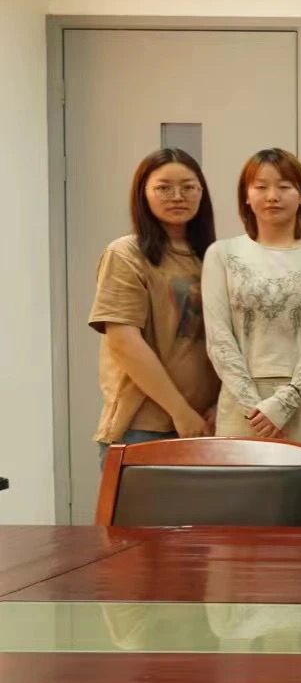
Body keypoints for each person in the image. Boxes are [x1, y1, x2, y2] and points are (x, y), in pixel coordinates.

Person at [203, 149, 301, 445]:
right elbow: (219, 339)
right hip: (242, 407)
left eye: (284, 186)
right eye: (261, 186)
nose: (273, 196)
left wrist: (285, 402)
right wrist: (254, 407)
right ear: (246, 196)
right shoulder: (222, 254)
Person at [89, 148, 221, 454]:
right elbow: (124, 342)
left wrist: (221, 404)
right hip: (144, 425)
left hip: (208, 422)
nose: (177, 196)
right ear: (142, 194)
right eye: (163, 188)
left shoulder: (213, 256)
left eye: (188, 187)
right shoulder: (125, 254)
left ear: (202, 193)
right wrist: (179, 410)